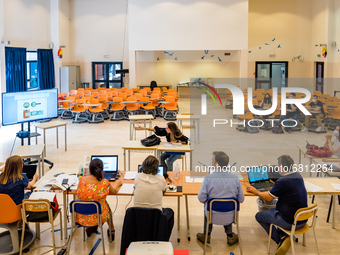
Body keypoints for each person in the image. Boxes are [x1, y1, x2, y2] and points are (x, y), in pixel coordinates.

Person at [246, 155, 307, 255]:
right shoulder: (298, 176)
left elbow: (269, 198)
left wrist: (255, 191)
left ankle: (281, 239)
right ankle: (284, 235)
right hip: (302, 219)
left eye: (278, 166)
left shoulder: (283, 181)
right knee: (273, 210)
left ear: (282, 167)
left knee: (259, 216)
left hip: (290, 222)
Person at [196, 151, 244, 245]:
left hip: (212, 216)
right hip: (231, 217)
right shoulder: (235, 178)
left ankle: (207, 235)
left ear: (217, 164)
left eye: (212, 161)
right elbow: (241, 199)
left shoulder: (208, 178)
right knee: (227, 203)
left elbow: (201, 199)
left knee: (208, 204)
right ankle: (230, 236)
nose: (211, 162)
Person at [76, 158, 122, 241]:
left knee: (90, 202)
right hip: (99, 216)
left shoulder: (81, 180)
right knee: (105, 205)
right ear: (102, 170)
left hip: (81, 216)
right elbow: (114, 191)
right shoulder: (104, 183)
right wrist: (117, 183)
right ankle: (111, 229)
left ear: (89, 170)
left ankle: (89, 227)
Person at [134, 155, 174, 239]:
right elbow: (163, 190)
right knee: (170, 212)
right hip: (156, 217)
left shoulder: (137, 177)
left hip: (138, 216)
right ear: (156, 168)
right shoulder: (161, 179)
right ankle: (163, 238)